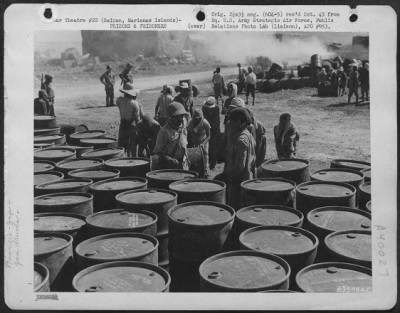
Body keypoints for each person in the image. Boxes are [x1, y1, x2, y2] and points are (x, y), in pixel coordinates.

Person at [215, 107, 256, 209]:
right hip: (247, 179)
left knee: (235, 208)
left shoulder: (241, 140)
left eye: (233, 120)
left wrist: (225, 176)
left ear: (241, 122)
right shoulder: (247, 134)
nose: (230, 122)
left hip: (238, 182)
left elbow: (239, 167)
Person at [152, 102, 189, 170]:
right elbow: (157, 153)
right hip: (169, 167)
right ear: (170, 117)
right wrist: (169, 159)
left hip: (183, 165)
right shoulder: (164, 132)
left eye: (182, 116)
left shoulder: (184, 127)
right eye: (177, 117)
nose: (180, 119)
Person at [116, 82, 143, 157]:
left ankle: (122, 158)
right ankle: (133, 158)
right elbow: (137, 118)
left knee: (122, 145)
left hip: (122, 124)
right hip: (131, 124)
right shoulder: (134, 103)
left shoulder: (119, 100)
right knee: (132, 144)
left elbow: (119, 104)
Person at [187, 109, 211, 177]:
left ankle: (206, 171)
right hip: (194, 143)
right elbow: (189, 134)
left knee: (205, 155)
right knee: (194, 158)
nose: (196, 119)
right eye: (195, 118)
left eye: (198, 118)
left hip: (204, 142)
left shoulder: (205, 123)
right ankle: (195, 171)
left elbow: (209, 136)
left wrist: (203, 143)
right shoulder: (190, 123)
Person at [202, 96, 220, 170]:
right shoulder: (204, 108)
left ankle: (213, 164)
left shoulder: (216, 108)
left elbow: (216, 122)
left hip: (214, 129)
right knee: (206, 147)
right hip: (207, 128)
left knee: (213, 147)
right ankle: (207, 163)